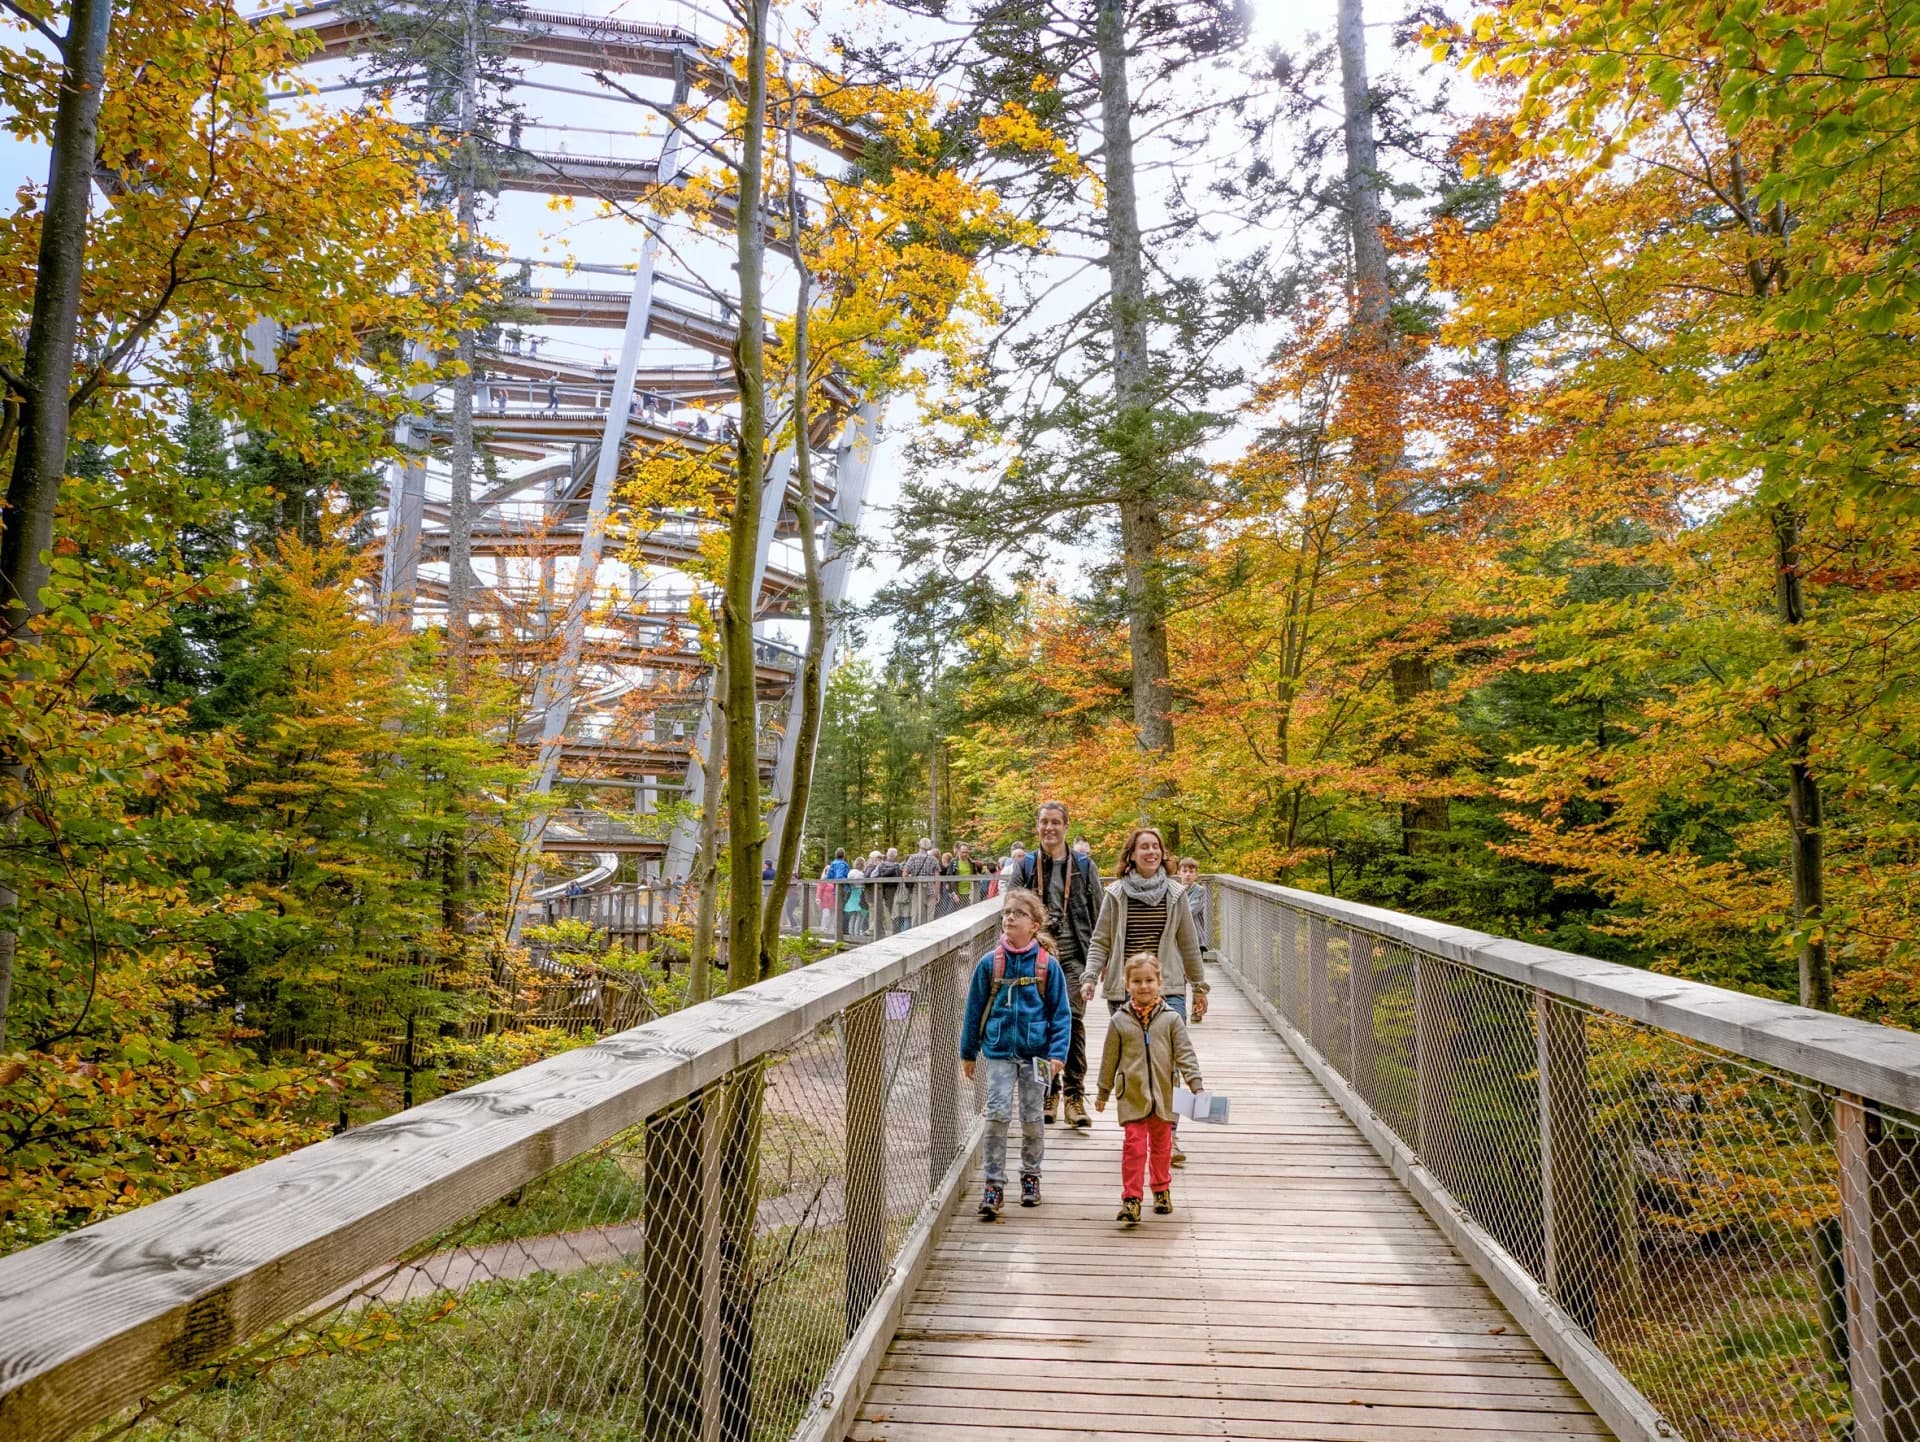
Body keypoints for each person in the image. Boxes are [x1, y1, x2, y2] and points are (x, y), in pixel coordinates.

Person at [1082, 825, 1208, 1166]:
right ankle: (1137, 1128)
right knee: (1133, 1063)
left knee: (1171, 1064)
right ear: (1132, 855)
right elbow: (1100, 940)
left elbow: (1188, 943)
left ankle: (1170, 1132)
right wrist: (1090, 976)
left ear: (1162, 854)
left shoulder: (1176, 894)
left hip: (1168, 986)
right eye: (1144, 847)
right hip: (1126, 989)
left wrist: (1199, 986)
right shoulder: (1116, 894)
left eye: (1156, 847)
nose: (1151, 852)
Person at [961, 888, 1072, 1218]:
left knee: (1033, 1115)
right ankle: (993, 1183)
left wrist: (1057, 1054)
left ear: (1034, 925)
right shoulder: (990, 963)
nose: (1010, 917)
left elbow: (1061, 1014)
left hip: (1037, 1053)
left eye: (1018, 913)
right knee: (997, 1112)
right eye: (1007, 912)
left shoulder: (1047, 966)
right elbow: (973, 1010)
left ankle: (1031, 1176)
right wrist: (968, 1052)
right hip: (998, 1050)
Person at [1096, 953, 1203, 1226]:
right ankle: (1131, 1198)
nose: (1143, 986)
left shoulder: (1171, 1019)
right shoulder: (1119, 1021)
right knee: (1133, 1146)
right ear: (1126, 984)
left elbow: (1185, 1055)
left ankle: (1161, 1188)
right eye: (1136, 981)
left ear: (1159, 982)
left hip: (1165, 1095)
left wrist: (1196, 1085)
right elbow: (1109, 1059)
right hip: (1132, 1095)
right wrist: (1103, 1091)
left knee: (1162, 1145)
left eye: (1149, 981)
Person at [1017, 801, 1100, 1129]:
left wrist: (1100, 959)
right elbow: (1011, 909)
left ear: (1066, 826)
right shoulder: (1026, 866)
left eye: (1055, 822)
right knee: (1041, 1023)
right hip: (1037, 956)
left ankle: (1074, 1096)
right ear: (1037, 827)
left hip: (1075, 954)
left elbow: (1098, 913)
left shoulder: (1084, 865)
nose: (1049, 828)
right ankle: (1047, 1092)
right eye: (1044, 822)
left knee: (1073, 1021)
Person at [902, 837, 940, 928]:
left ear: (919, 845)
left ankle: (916, 932)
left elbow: (904, 874)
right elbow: (937, 878)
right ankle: (930, 931)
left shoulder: (913, 857)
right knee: (930, 914)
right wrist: (937, 893)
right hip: (931, 889)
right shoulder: (934, 859)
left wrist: (911, 877)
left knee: (917, 913)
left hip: (917, 889)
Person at [1177, 857, 1210, 956]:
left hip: (1195, 937)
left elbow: (1191, 911)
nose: (1188, 874)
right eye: (1184, 871)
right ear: (1179, 873)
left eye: (1191, 872)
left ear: (1196, 875)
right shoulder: (1175, 890)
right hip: (1179, 937)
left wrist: (1175, 913)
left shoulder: (1199, 890)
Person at [873, 846, 905, 934]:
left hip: (885, 891)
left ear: (887, 855)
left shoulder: (881, 865)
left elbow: (873, 875)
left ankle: (893, 930)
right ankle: (897, 930)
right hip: (898, 890)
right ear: (895, 856)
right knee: (898, 910)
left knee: (890, 910)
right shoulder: (898, 866)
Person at [843, 860, 867, 938]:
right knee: (860, 916)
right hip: (860, 895)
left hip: (853, 895)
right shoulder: (861, 874)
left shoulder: (850, 873)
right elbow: (863, 884)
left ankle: (851, 933)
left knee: (853, 916)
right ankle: (857, 934)